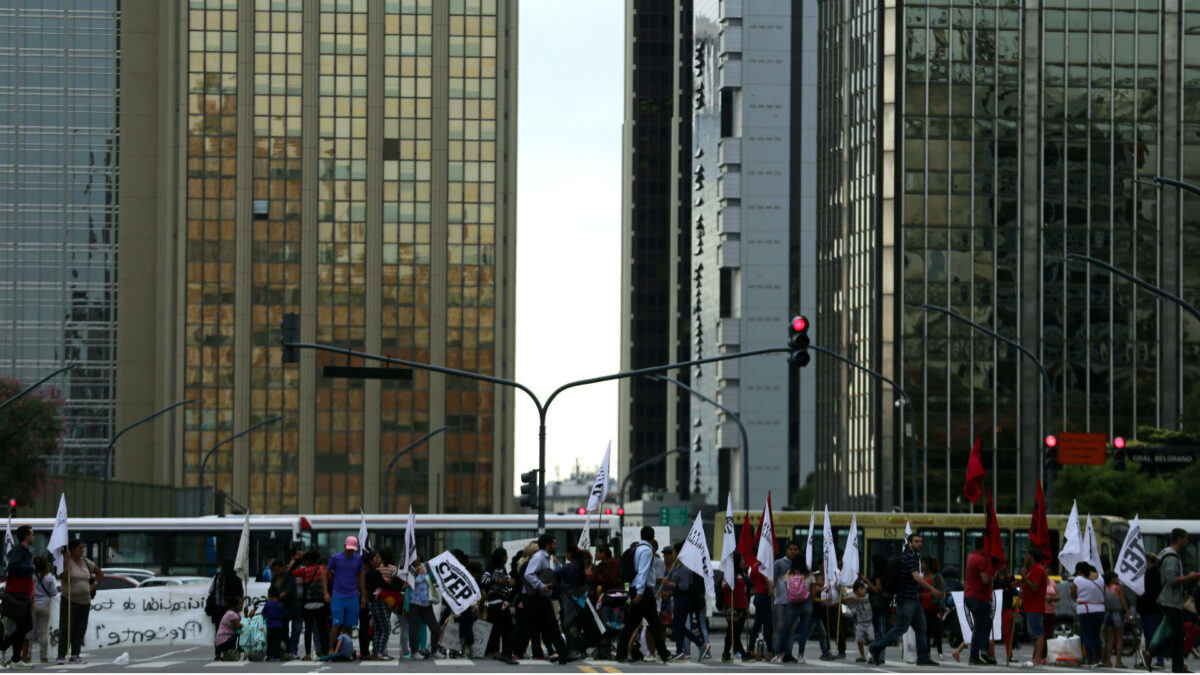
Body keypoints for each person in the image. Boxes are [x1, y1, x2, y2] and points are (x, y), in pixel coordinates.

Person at [868, 533, 943, 667]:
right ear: (909, 543)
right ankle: (876, 647)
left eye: (921, 541)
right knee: (900, 628)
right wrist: (932, 590)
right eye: (916, 541)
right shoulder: (910, 557)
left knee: (921, 628)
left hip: (913, 598)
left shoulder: (913, 556)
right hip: (907, 599)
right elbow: (916, 577)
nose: (919, 543)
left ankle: (923, 657)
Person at [499, 534, 572, 665]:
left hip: (540, 598)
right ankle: (505, 653)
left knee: (553, 625)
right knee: (522, 626)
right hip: (534, 598)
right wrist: (541, 585)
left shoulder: (545, 557)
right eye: (554, 543)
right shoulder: (539, 557)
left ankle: (563, 654)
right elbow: (528, 574)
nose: (556, 546)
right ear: (547, 545)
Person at [1143, 528, 1200, 674]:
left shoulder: (1166, 553)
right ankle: (1151, 652)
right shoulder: (1172, 557)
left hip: (1171, 600)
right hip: (1169, 600)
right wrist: (1191, 577)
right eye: (1185, 538)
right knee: (1179, 632)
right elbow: (1171, 580)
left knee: (1179, 636)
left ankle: (1178, 668)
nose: (1187, 541)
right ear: (1179, 539)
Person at [612, 527, 667, 665]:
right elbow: (642, 572)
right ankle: (664, 654)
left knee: (630, 625)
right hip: (644, 592)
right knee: (655, 624)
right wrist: (640, 593)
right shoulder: (647, 551)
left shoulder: (636, 548)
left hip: (633, 589)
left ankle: (620, 654)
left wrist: (636, 593)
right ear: (652, 537)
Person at [55, 536, 101, 666]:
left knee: (80, 629)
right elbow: (62, 576)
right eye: (80, 548)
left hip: (84, 601)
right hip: (69, 599)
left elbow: (99, 573)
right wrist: (67, 558)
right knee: (66, 628)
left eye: (83, 548)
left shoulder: (86, 562)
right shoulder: (67, 561)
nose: (82, 550)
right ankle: (61, 655)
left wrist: (94, 585)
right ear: (73, 549)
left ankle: (75, 654)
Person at [322, 536, 366, 658]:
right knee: (336, 624)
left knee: (349, 625)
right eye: (349, 549)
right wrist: (326, 592)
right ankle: (331, 649)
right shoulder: (335, 558)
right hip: (338, 595)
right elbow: (325, 574)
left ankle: (347, 650)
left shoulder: (358, 559)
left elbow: (361, 577)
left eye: (353, 549)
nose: (350, 551)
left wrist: (363, 595)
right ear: (344, 546)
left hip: (352, 595)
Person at [663, 544, 707, 662]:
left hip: (684, 599)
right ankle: (699, 645)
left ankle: (680, 651)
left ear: (678, 553)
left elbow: (684, 586)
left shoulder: (684, 568)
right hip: (680, 599)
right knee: (680, 626)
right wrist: (670, 592)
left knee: (678, 626)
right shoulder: (679, 566)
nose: (672, 555)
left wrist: (669, 583)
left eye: (673, 552)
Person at [0, 525, 35, 669]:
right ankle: (4, 646)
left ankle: (15, 660)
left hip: (23, 595)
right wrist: (30, 568)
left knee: (23, 626)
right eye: (32, 534)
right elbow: (12, 567)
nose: (33, 537)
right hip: (16, 595)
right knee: (27, 625)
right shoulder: (18, 551)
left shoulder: (26, 552)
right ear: (26, 536)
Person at [963, 537, 996, 665]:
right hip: (979, 597)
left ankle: (984, 649)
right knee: (980, 625)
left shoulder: (971, 556)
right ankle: (976, 655)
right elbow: (985, 579)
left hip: (970, 595)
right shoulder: (981, 560)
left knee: (985, 623)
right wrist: (993, 576)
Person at [774, 556, 812, 664]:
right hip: (806, 604)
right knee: (803, 632)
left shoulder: (788, 575)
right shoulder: (809, 575)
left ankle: (780, 655)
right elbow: (813, 592)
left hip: (792, 604)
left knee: (785, 630)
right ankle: (800, 656)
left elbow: (787, 589)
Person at [294, 550, 328, 659]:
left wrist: (297, 560)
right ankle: (324, 651)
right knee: (322, 629)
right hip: (321, 603)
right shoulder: (323, 569)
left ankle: (308, 653)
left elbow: (292, 572)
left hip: (308, 604)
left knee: (308, 630)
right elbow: (331, 578)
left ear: (307, 560)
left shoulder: (305, 570)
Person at [1070, 562, 1105, 666]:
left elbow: (1072, 594)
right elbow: (1104, 593)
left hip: (1085, 610)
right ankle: (1099, 658)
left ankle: (1091, 659)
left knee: (1087, 635)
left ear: (1079, 571)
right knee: (1096, 635)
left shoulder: (1078, 580)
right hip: (1100, 609)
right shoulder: (1100, 578)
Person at [406, 558, 442, 659]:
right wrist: (416, 573)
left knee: (435, 628)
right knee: (413, 628)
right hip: (414, 603)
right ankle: (414, 652)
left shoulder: (424, 566)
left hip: (426, 603)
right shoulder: (408, 569)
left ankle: (434, 650)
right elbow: (406, 584)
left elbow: (435, 580)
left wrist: (429, 570)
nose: (415, 558)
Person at [482, 548, 514, 658]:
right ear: (501, 557)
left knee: (506, 626)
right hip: (495, 602)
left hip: (502, 600)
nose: (507, 559)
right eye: (505, 556)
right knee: (497, 627)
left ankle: (505, 650)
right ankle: (496, 651)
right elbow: (484, 580)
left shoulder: (502, 568)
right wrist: (496, 581)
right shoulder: (492, 567)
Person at [1018, 548, 1048, 668]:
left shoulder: (1037, 570)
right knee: (1035, 633)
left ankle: (1037, 659)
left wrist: (1025, 577)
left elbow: (1035, 587)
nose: (1025, 557)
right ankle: (1035, 657)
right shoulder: (1032, 570)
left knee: (1038, 633)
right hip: (1030, 606)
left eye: (1026, 554)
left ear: (1032, 556)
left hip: (1036, 607)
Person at [363, 549, 394, 660]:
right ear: (371, 560)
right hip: (379, 602)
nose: (379, 560)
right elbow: (385, 585)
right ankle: (380, 652)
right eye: (376, 558)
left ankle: (376, 652)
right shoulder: (373, 573)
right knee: (386, 627)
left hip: (373, 602)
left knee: (378, 628)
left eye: (379, 558)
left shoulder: (368, 572)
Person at [1138, 552, 1166, 670]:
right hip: (1150, 608)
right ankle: (1151, 657)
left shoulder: (1153, 573)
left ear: (1149, 561)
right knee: (1149, 634)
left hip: (1150, 608)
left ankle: (1158, 659)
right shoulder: (1152, 573)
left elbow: (1151, 592)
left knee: (1153, 635)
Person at [268, 559, 299, 660]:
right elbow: (271, 589)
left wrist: (276, 597)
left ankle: (289, 650)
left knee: (285, 628)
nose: (276, 572)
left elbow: (289, 591)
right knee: (280, 629)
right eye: (274, 570)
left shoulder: (290, 578)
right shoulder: (274, 578)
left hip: (289, 606)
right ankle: (281, 649)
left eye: (278, 570)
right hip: (278, 606)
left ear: (283, 568)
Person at [721, 551, 750, 663]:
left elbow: (744, 591)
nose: (744, 561)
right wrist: (729, 583)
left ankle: (725, 653)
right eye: (742, 559)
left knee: (731, 632)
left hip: (742, 607)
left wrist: (747, 607)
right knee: (735, 632)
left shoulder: (742, 574)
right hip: (731, 607)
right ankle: (743, 653)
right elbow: (724, 589)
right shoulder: (728, 574)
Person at [746, 554, 774, 661]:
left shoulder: (754, 566)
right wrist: (770, 588)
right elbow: (764, 576)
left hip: (758, 596)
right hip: (763, 596)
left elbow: (751, 579)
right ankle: (769, 651)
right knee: (766, 625)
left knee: (757, 624)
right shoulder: (762, 567)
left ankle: (751, 649)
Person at [30, 555, 56, 664]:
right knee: (43, 633)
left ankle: (27, 655)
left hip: (33, 606)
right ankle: (43, 656)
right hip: (45, 606)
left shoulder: (32, 576)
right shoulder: (49, 577)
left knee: (30, 633)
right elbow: (53, 592)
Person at [207, 559, 244, 632]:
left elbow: (211, 590)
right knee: (234, 631)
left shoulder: (218, 577)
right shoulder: (237, 578)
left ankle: (220, 642)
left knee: (219, 629)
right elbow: (241, 594)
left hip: (218, 610)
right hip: (233, 610)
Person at [1101, 571, 1128, 668]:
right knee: (1119, 639)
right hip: (1117, 613)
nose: (1118, 580)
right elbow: (1124, 602)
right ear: (1113, 579)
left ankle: (1108, 661)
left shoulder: (1104, 588)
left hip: (1108, 614)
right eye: (1116, 578)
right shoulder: (1118, 588)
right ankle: (1118, 662)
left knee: (1110, 639)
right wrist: (1128, 614)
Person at [920, 556, 945, 660]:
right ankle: (927, 652)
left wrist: (941, 608)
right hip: (923, 607)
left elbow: (942, 592)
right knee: (926, 631)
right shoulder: (921, 576)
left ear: (928, 565)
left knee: (937, 630)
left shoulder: (937, 576)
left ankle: (940, 652)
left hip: (934, 607)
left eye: (923, 563)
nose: (921, 566)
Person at [845, 580, 875, 662]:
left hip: (870, 622)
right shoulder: (855, 598)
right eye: (859, 590)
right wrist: (852, 597)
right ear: (855, 592)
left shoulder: (869, 597)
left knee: (872, 638)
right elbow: (843, 598)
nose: (862, 591)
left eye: (863, 589)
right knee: (859, 639)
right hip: (860, 622)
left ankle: (872, 655)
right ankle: (862, 656)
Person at [993, 565, 1018, 664]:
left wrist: (1009, 589)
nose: (1002, 567)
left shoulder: (1010, 577)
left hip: (1007, 606)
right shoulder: (994, 577)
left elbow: (1013, 590)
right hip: (996, 606)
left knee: (1007, 631)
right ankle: (991, 654)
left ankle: (1010, 654)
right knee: (994, 631)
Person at [215, 595, 250, 660]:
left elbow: (243, 624)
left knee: (242, 633)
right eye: (240, 604)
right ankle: (228, 654)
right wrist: (249, 618)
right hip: (224, 641)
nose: (242, 606)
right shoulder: (231, 614)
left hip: (222, 641)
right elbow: (239, 628)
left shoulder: (236, 614)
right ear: (233, 606)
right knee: (243, 635)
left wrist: (245, 613)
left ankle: (226, 655)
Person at [263, 587, 286, 661]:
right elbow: (283, 616)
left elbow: (263, 613)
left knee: (270, 642)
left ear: (269, 596)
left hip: (270, 626)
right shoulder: (280, 605)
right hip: (278, 626)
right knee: (277, 642)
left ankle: (270, 656)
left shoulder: (268, 604)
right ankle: (277, 656)